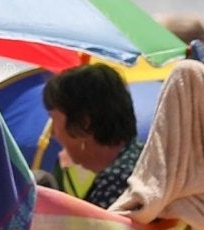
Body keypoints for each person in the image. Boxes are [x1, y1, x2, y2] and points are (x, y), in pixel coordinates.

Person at [40, 63, 142, 208]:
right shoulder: (141, 163)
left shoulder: (116, 184)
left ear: (84, 123)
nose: (52, 134)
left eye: (54, 119)